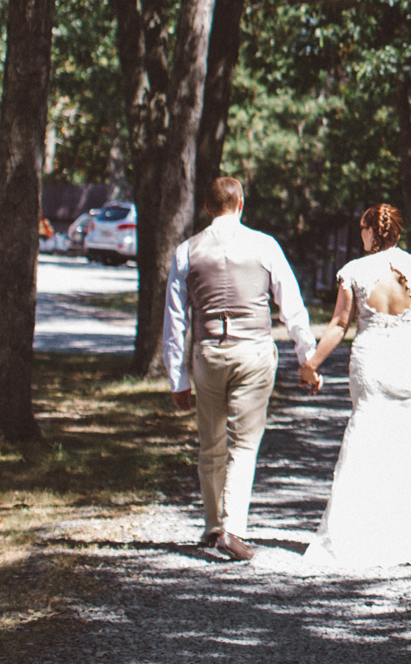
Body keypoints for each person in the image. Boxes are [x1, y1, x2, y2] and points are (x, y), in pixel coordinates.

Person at [295, 202, 411, 570]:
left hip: (370, 359)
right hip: (405, 358)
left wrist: (312, 364)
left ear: (371, 232)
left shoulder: (354, 271)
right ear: (398, 231)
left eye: (362, 230)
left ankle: (354, 533)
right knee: (410, 440)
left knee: (365, 434)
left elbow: (339, 325)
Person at [161, 176, 316, 563]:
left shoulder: (187, 251)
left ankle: (214, 524)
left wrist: (177, 378)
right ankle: (234, 529)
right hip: (253, 352)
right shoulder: (265, 246)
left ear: (208, 208)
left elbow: (175, 320)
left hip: (209, 351)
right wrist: (306, 357)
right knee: (244, 443)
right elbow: (291, 305)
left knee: (210, 441)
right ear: (241, 203)